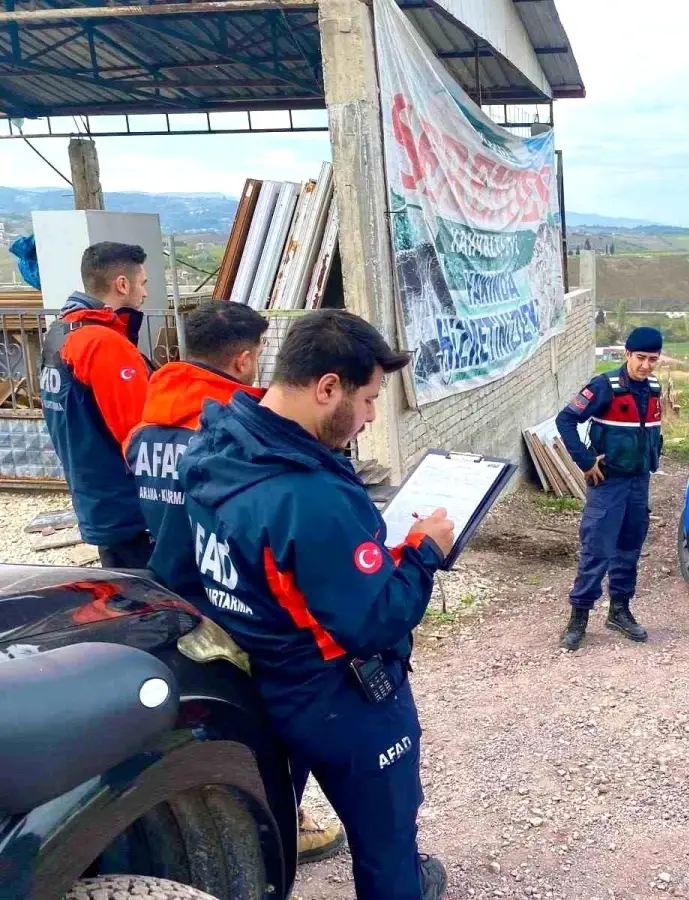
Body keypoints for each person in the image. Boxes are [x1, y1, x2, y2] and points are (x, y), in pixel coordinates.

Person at [179, 310, 452, 900]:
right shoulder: (311, 497)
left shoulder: (215, 445)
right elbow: (376, 618)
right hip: (341, 698)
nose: (373, 415)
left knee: (272, 831)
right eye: (371, 398)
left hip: (258, 687)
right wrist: (425, 550)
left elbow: (181, 568)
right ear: (328, 387)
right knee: (387, 847)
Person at [124, 300, 346, 865]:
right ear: (245, 359)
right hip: (229, 598)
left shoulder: (146, 421)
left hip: (169, 588)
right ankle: (282, 823)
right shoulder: (233, 429)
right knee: (270, 720)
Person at [40, 242, 153, 568]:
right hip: (127, 504)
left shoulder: (60, 334)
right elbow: (138, 434)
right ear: (122, 284)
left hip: (93, 495)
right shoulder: (103, 344)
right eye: (142, 283)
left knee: (120, 587)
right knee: (147, 602)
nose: (144, 293)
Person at [556, 326, 664, 651]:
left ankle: (619, 610)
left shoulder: (655, 389)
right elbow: (565, 420)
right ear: (627, 354)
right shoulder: (604, 387)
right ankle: (579, 618)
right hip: (608, 483)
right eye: (641, 358)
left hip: (638, 482)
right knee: (597, 550)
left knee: (629, 548)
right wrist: (586, 462)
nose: (646, 366)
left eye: (653, 359)